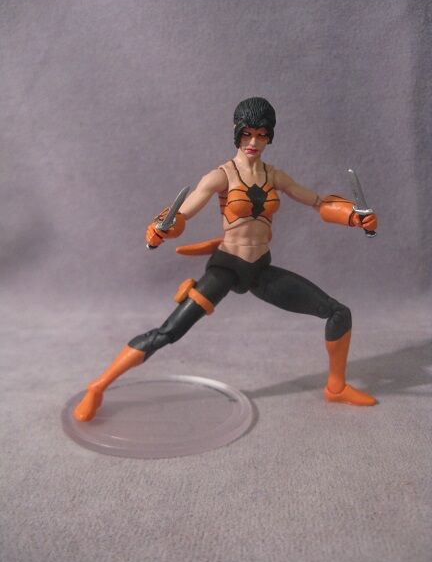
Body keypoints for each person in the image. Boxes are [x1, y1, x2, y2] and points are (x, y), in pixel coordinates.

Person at [74, 97, 378, 422]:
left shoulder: (274, 176)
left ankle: (336, 387)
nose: (253, 142)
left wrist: (353, 216)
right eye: (247, 134)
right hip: (227, 267)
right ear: (236, 132)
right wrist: (162, 227)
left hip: (259, 269)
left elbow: (317, 201)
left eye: (261, 135)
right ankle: (98, 386)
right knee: (168, 332)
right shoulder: (221, 176)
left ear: (270, 136)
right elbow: (185, 211)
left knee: (338, 313)